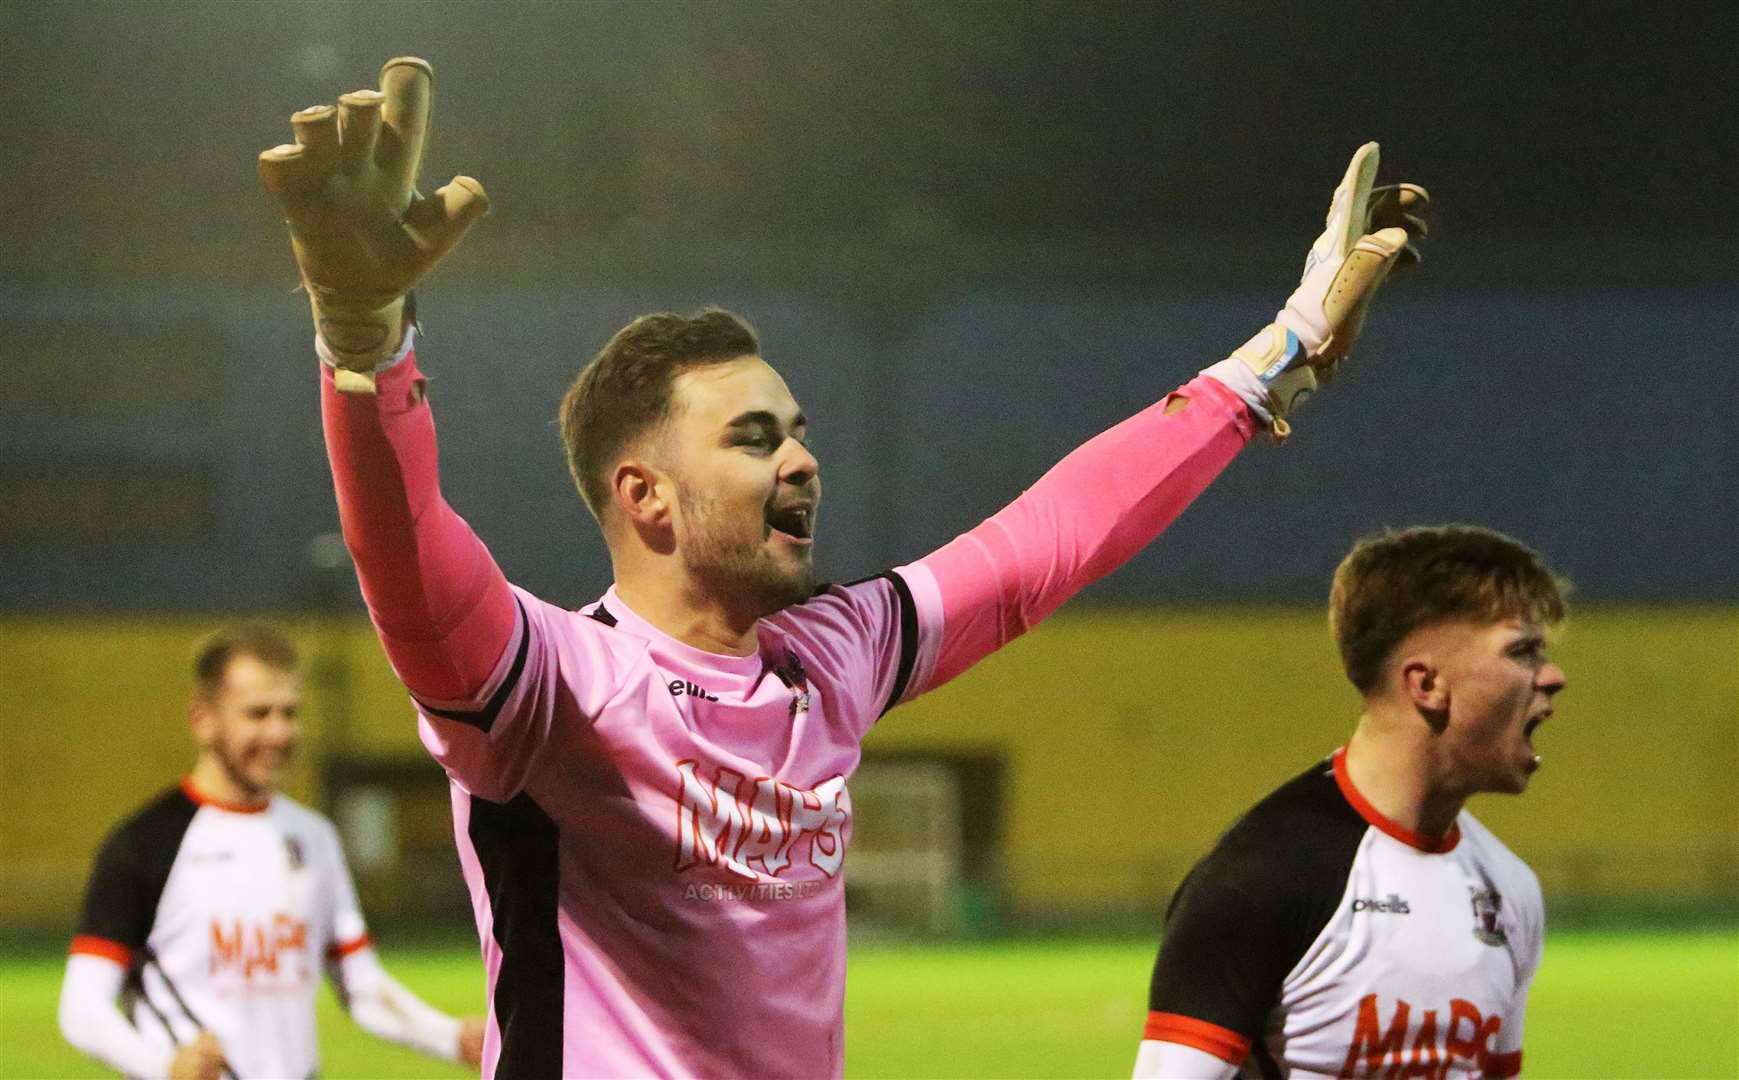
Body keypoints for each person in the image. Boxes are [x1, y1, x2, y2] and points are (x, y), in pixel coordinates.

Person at [256, 57, 1430, 1077]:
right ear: (642, 496)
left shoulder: (833, 655)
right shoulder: (548, 688)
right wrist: (365, 346)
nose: (804, 461)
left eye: (799, 429)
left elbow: (1046, 542)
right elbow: (403, 552)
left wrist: (1274, 360)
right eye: (754, 439)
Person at [1134, 525, 1567, 1080]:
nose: (1552, 677)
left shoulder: (1511, 888)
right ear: (1427, 684)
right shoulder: (1261, 878)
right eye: (1523, 651)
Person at [58, 625, 485, 1080]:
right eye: (257, 714)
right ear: (203, 719)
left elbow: (361, 989)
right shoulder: (144, 845)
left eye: (289, 713)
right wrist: (165, 1067)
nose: (280, 732)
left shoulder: (313, 837)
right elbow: (82, 1008)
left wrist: (451, 1038)